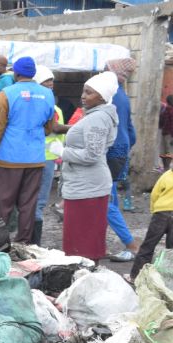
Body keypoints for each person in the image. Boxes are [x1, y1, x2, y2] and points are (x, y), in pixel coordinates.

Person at [0, 56, 56, 245]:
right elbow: (49, 127)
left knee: (2, 204)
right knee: (28, 205)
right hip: (36, 159)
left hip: (10, 158)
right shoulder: (47, 94)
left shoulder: (7, 93)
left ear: (15, 73)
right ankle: (23, 243)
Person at [58, 71, 119, 263]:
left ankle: (86, 279)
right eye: (84, 91)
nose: (83, 96)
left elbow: (93, 154)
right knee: (82, 239)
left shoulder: (97, 118)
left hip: (88, 187)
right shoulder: (93, 115)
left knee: (84, 242)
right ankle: (85, 277)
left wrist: (63, 153)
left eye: (89, 92)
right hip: (83, 185)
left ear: (102, 97)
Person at [127, 139, 173, 281]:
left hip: (160, 214)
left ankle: (135, 277)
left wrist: (154, 210)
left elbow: (155, 194)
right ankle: (170, 281)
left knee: (147, 247)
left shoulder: (169, 173)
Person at [105, 57, 138, 262]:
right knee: (111, 200)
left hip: (111, 151)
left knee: (106, 202)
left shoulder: (111, 95)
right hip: (120, 150)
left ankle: (131, 245)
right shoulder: (122, 95)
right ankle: (99, 244)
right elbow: (130, 130)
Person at [33, 66, 65, 244]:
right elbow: (55, 129)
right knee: (37, 202)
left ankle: (30, 240)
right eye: (46, 81)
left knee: (34, 202)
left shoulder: (55, 109)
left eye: (52, 81)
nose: (51, 84)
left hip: (45, 158)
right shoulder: (51, 108)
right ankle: (33, 242)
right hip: (43, 159)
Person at [159, 95, 173, 172]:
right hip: (171, 135)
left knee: (163, 152)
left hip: (163, 134)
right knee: (170, 152)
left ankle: (165, 167)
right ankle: (168, 168)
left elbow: (160, 123)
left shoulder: (164, 111)